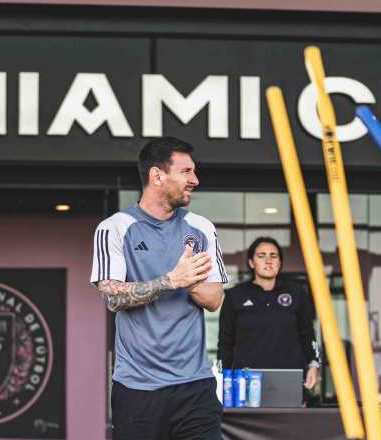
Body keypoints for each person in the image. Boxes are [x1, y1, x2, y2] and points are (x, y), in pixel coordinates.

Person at [91, 136, 228, 440]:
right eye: (186, 172)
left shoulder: (202, 228)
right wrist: (171, 281)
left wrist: (190, 282)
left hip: (195, 386)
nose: (195, 180)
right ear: (157, 175)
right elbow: (112, 296)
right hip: (138, 390)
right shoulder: (114, 228)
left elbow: (214, 298)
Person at [218, 236, 320, 391]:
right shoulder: (235, 296)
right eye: (261, 256)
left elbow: (308, 334)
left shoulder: (297, 293)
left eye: (274, 256)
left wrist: (313, 364)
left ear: (280, 263)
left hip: (289, 379)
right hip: (246, 381)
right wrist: (222, 377)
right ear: (251, 263)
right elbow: (225, 342)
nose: (268, 261)